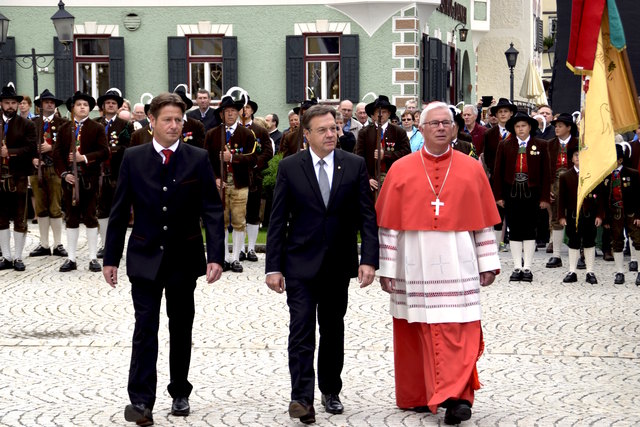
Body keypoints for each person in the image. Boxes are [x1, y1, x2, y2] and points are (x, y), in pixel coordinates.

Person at [103, 92, 224, 427]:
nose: (174, 126)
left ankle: (179, 389)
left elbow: (212, 211)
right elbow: (118, 212)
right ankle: (141, 401)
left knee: (181, 326)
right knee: (145, 328)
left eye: (178, 120)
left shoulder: (197, 158)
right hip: (144, 256)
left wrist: (216, 256)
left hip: (184, 258)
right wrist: (111, 258)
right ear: (151, 122)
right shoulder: (133, 157)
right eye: (168, 120)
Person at [376, 101, 500, 425]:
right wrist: (387, 268)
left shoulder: (472, 168)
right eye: (434, 123)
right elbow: (388, 225)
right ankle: (418, 393)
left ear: (455, 129)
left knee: (459, 328)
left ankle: (457, 397)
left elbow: (483, 222)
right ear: (422, 128)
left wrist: (488, 261)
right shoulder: (402, 168)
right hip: (413, 263)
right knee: (415, 328)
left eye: (447, 123)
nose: (442, 128)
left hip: (458, 262)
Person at [265, 104, 378, 425]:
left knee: (332, 329)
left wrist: (369, 259)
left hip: (338, 264)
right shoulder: (290, 167)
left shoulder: (354, 165)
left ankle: (330, 389)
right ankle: (301, 397)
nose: (331, 134)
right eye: (324, 130)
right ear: (307, 135)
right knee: (300, 329)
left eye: (335, 128)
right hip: (299, 263)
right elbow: (277, 221)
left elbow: (366, 217)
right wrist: (273, 266)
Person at [53, 91, 109, 272]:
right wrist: (64, 174)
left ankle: (93, 258)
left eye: (85, 105)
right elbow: (57, 155)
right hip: (70, 181)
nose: (82, 107)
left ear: (90, 108)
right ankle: (71, 258)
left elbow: (104, 152)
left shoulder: (96, 128)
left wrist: (83, 157)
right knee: (71, 217)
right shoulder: (64, 128)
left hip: (89, 180)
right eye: (79, 105)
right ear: (72, 108)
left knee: (91, 216)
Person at [493, 112, 551, 282]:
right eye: (517, 126)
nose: (521, 129)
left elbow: (546, 174)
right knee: (515, 229)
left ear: (530, 127)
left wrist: (544, 197)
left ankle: (528, 267)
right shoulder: (505, 145)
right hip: (511, 192)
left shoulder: (540, 145)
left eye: (523, 126)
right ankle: (517, 265)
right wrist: (498, 196)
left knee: (530, 229)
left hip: (532, 192)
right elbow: (498, 173)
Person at [204, 95, 258, 273]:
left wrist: (232, 158)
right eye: (227, 112)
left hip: (239, 183)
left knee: (238, 220)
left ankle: (235, 257)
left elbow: (253, 158)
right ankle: (223, 257)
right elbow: (204, 160)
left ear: (238, 113)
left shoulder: (247, 134)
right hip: (218, 183)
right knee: (221, 219)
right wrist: (214, 177)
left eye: (233, 111)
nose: (230, 115)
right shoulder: (212, 134)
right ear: (221, 115)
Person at [0, 85, 37, 271]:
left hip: (19, 175)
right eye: (7, 102)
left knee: (20, 216)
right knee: (1, 218)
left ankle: (17, 257)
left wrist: (10, 152)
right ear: (1, 103)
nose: (11, 106)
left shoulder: (27, 124)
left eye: (14, 102)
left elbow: (31, 148)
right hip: (0, 176)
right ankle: (6, 256)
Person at [28, 89, 68, 259]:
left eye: (52, 102)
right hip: (36, 169)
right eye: (46, 102)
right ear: (40, 106)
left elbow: (68, 145)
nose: (49, 104)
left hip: (55, 169)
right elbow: (26, 144)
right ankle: (44, 244)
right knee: (40, 207)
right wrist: (32, 158)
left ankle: (58, 244)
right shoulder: (32, 123)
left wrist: (52, 148)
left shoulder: (63, 123)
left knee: (55, 206)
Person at [95, 88, 134, 259]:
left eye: (113, 103)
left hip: (117, 173)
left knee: (118, 210)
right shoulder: (95, 123)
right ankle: (105, 244)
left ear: (118, 107)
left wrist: (114, 150)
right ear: (102, 106)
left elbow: (129, 148)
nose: (110, 105)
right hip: (97, 172)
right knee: (101, 210)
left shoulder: (125, 125)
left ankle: (118, 244)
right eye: (107, 103)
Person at [557, 146, 603, 284]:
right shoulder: (566, 176)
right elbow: (562, 199)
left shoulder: (593, 175)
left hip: (589, 214)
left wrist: (600, 215)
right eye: (576, 155)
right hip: (572, 215)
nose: (578, 157)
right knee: (573, 242)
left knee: (589, 241)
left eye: (581, 155)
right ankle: (572, 271)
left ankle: (590, 271)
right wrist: (561, 216)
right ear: (571, 159)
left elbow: (600, 197)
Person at [239, 96, 273, 263]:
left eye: (247, 108)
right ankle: (238, 249)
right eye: (241, 108)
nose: (244, 111)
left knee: (253, 212)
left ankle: (251, 248)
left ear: (252, 111)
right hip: (236, 177)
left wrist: (255, 165)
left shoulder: (260, 131)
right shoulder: (233, 130)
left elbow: (268, 151)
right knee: (237, 214)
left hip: (254, 177)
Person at [354, 95, 411, 193]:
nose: (381, 115)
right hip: (371, 181)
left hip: (394, 179)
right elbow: (359, 157)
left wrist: (385, 155)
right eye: (377, 112)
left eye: (384, 112)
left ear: (389, 114)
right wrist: (367, 178)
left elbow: (406, 153)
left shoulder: (399, 131)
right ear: (373, 115)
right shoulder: (364, 132)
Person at [603, 143, 640, 285]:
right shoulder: (606, 176)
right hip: (614, 212)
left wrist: (638, 215)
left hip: (631, 212)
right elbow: (603, 198)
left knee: (638, 240)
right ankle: (619, 272)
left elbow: (638, 196)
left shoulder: (633, 174)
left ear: (620, 160)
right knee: (617, 241)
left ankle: (639, 272)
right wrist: (605, 217)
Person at [545, 113, 579, 268]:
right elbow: (543, 170)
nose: (557, 128)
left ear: (569, 127)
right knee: (556, 219)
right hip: (555, 185)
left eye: (560, 126)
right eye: (555, 126)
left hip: (575, 184)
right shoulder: (549, 144)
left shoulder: (579, 144)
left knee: (577, 219)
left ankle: (581, 254)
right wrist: (547, 189)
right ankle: (556, 255)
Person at [483, 98, 517, 248]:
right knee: (497, 209)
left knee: (514, 209)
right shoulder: (489, 133)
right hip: (496, 177)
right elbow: (488, 155)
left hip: (514, 177)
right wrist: (494, 170)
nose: (503, 114)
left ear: (511, 114)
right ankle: (496, 243)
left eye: (505, 111)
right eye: (500, 112)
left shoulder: (517, 131)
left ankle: (516, 240)